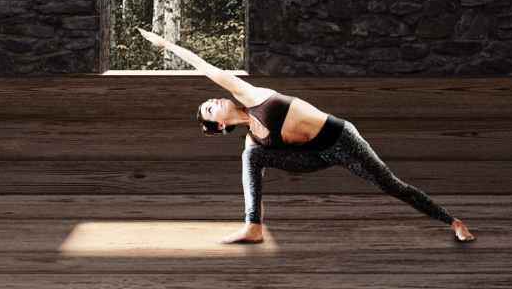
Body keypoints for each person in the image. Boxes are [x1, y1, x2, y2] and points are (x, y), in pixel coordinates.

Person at [137, 28, 475, 244]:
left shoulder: (251, 96)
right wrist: (255, 211)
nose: (214, 102)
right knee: (250, 157)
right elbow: (254, 181)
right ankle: (252, 228)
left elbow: (206, 67)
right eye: (210, 110)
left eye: (210, 102)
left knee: (392, 186)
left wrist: (166, 44)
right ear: (221, 127)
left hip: (342, 140)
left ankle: (453, 222)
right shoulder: (252, 140)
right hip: (313, 156)